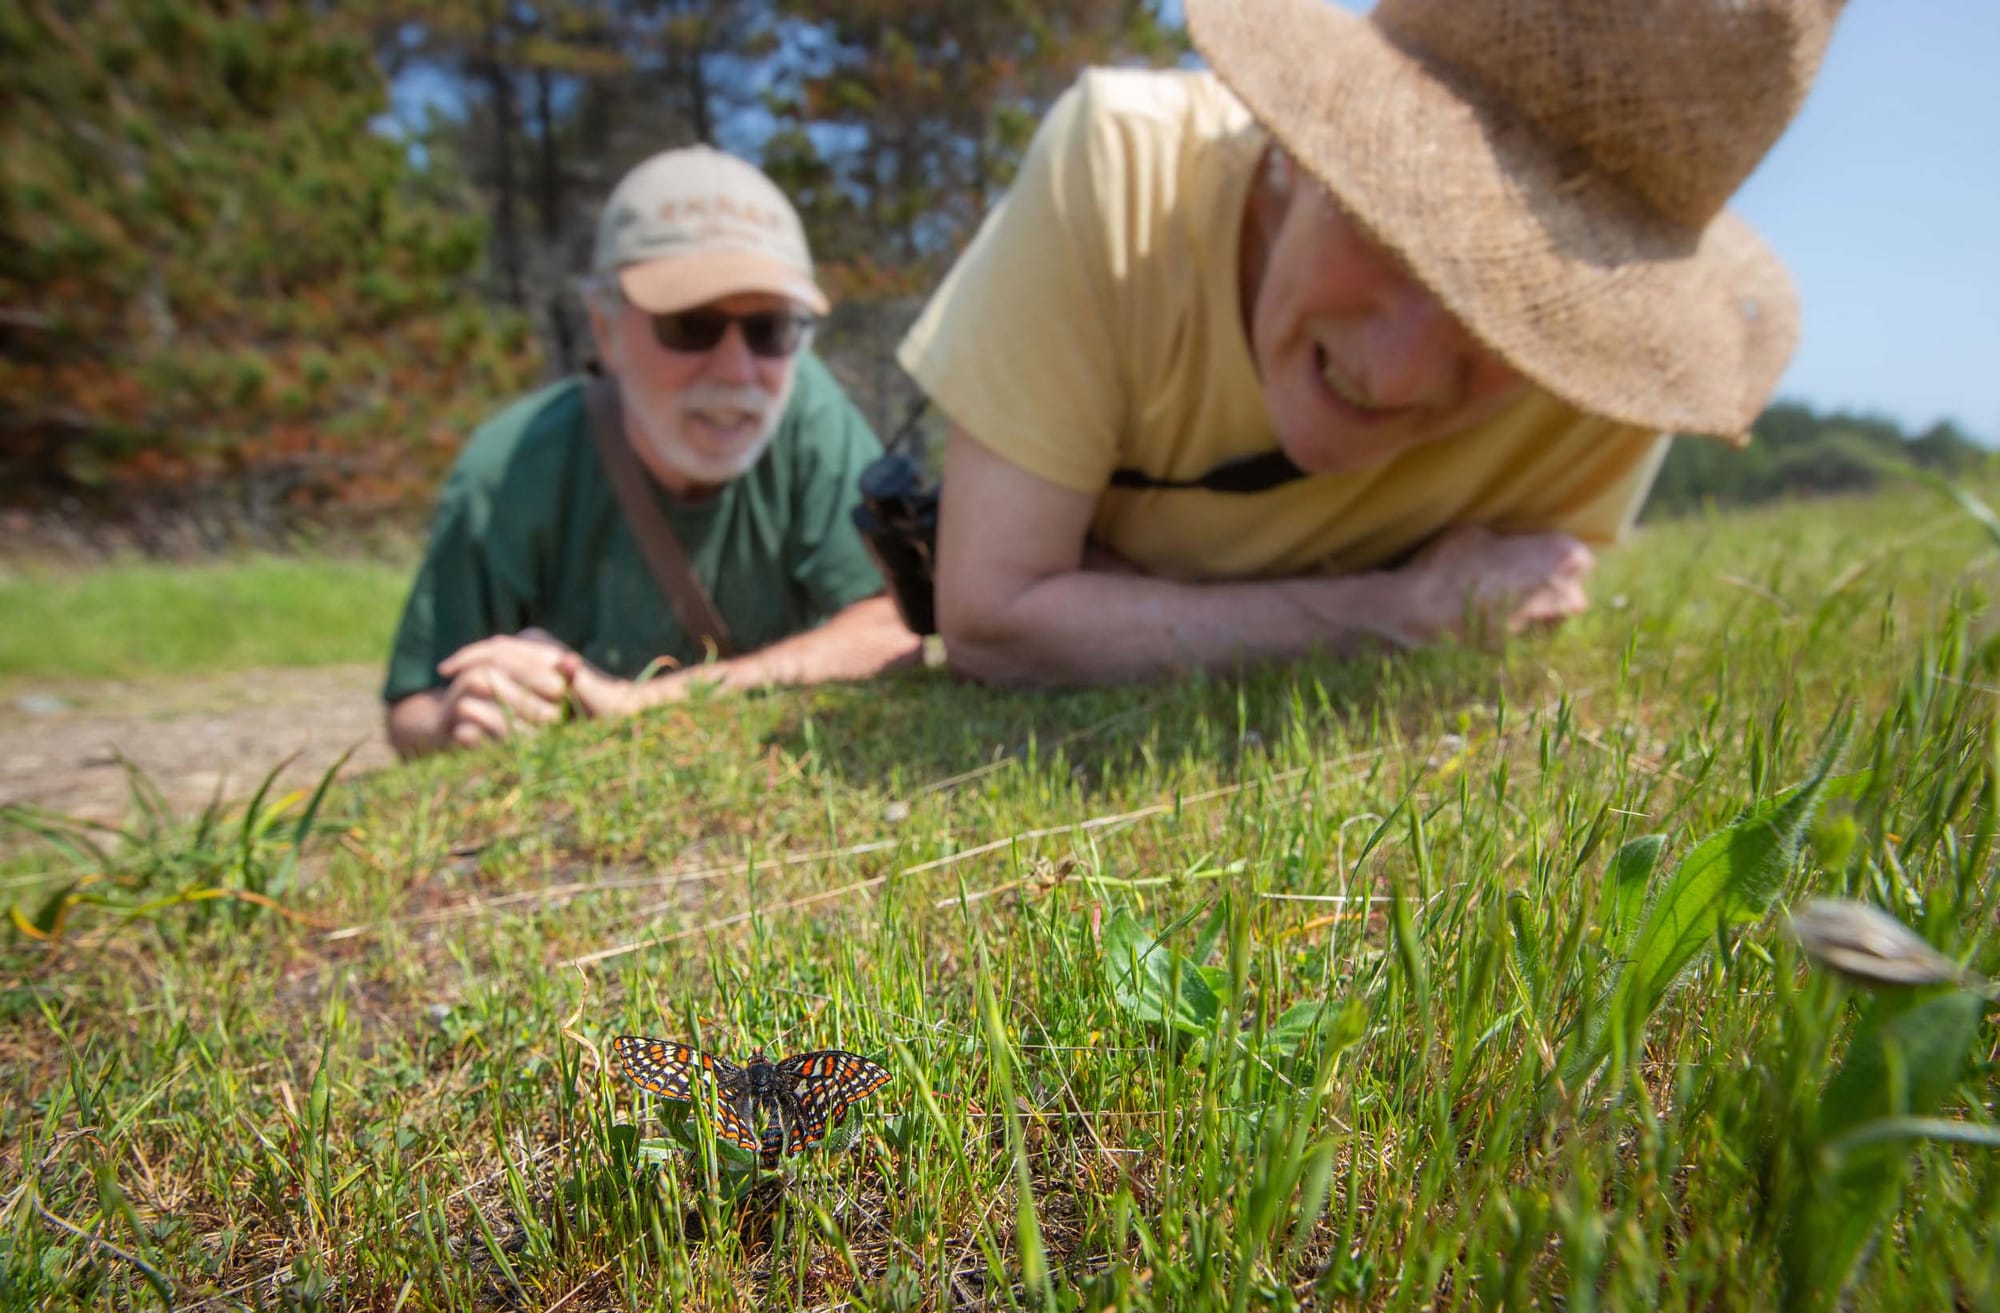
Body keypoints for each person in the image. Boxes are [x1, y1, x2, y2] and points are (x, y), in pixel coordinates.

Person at [898, 0, 1844, 685]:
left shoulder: (1618, 378)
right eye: (1391, 232)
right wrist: (1395, 614)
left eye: (1528, 316)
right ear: (1301, 146)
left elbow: (1526, 611)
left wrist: (1120, 603)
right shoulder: (1118, 174)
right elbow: (991, 618)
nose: (1397, 373)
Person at [384, 146, 917, 756]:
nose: (739, 368)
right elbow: (412, 709)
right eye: (691, 324)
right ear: (605, 327)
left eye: (771, 328)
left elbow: (891, 627)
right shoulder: (507, 469)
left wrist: (631, 705)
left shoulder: (812, 416)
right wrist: (464, 718)